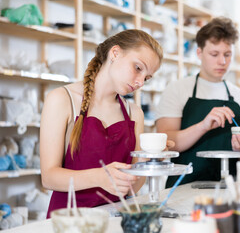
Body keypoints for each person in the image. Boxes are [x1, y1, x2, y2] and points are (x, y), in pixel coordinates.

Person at [40, 29, 163, 217]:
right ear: (115, 53)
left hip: (116, 220)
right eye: (138, 68)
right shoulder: (62, 99)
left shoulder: (134, 113)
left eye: (146, 78)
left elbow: (133, 187)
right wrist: (100, 177)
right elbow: (49, 177)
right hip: (69, 222)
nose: (140, 83)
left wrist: (149, 159)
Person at [155, 17, 240, 187]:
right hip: (182, 187)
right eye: (214, 54)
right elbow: (166, 143)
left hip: (229, 189)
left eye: (227, 54)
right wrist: (202, 126)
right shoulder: (177, 89)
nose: (222, 62)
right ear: (199, 53)